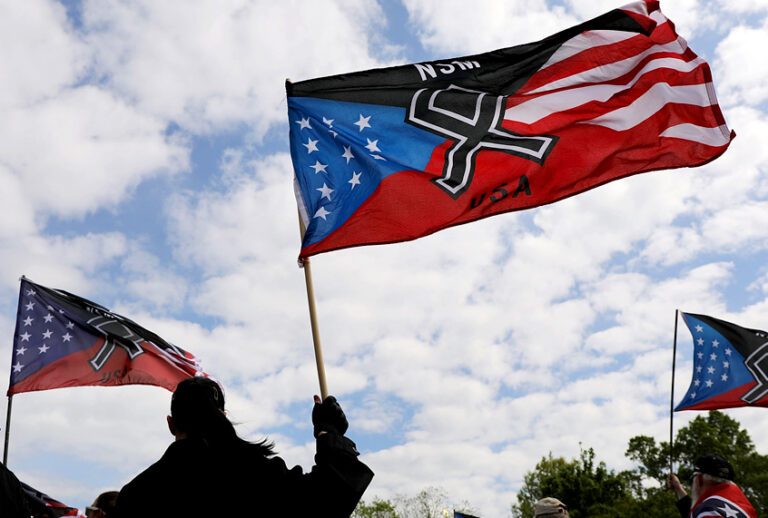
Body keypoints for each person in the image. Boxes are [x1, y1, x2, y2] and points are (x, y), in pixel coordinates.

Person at [113, 376, 373, 517]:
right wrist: (329, 433)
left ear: (171, 424)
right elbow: (326, 500)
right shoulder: (254, 475)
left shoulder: (133, 496)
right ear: (223, 418)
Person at [667, 453, 757, 518]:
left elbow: (704, 512)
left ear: (699, 479)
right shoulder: (747, 510)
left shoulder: (708, 513)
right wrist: (678, 489)